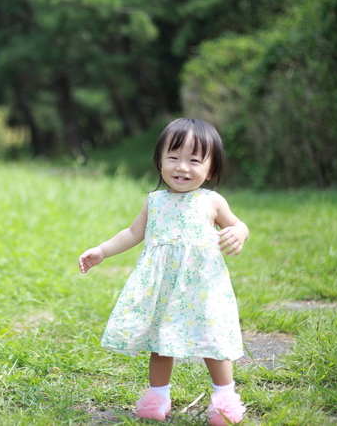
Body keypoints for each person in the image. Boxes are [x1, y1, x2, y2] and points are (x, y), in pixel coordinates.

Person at [79, 118, 248, 425]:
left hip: (203, 287)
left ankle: (225, 400)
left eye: (194, 160)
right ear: (159, 161)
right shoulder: (155, 202)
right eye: (173, 157)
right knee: (160, 343)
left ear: (211, 169)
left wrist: (240, 231)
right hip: (164, 289)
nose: (182, 167)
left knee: (213, 343)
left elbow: (236, 224)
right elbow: (132, 233)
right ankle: (157, 397)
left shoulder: (212, 201)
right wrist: (102, 250)